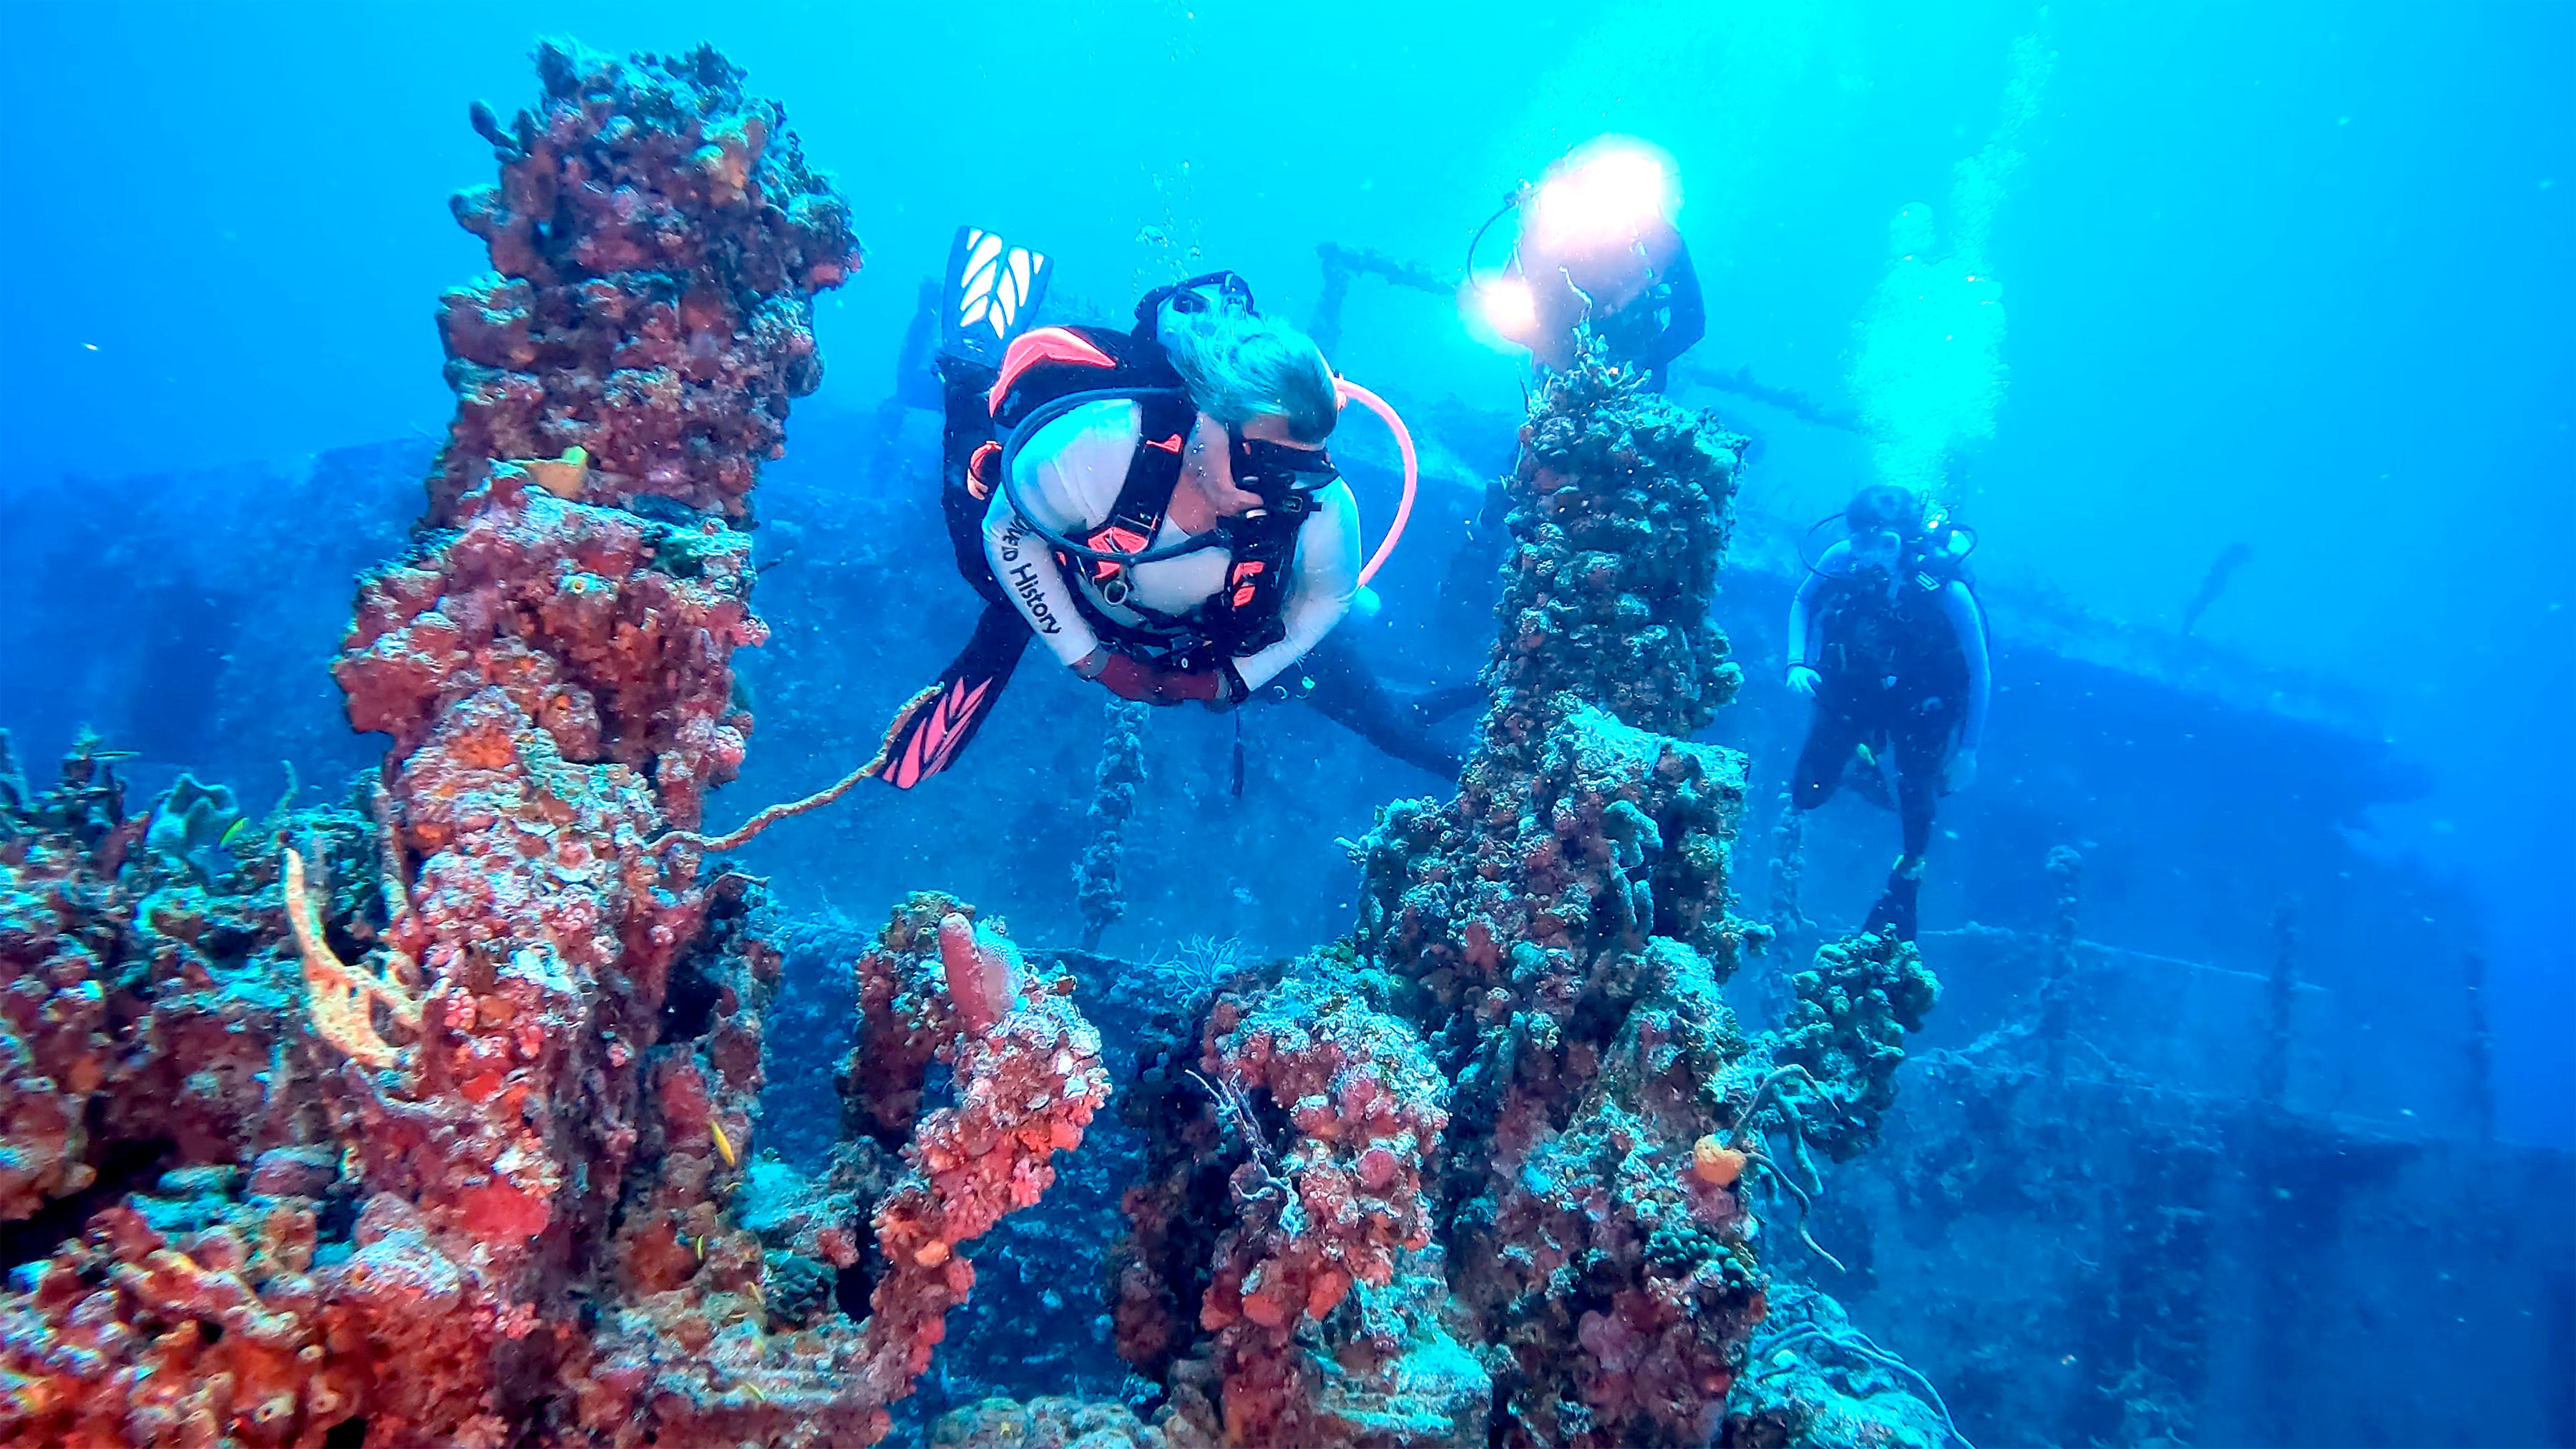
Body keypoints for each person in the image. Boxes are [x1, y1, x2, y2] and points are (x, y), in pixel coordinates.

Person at [872, 230, 1465, 789]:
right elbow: (1008, 531)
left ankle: (1452, 719)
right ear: (1207, 423)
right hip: (1076, 575)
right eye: (1263, 460)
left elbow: (1329, 598)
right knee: (981, 552)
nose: (1283, 488)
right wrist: (1093, 660)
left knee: (1390, 727)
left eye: (1304, 468)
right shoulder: (1100, 444)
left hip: (1206, 624)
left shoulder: (1319, 499)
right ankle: (971, 372)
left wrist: (1229, 678)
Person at [1783, 484, 1990, 940]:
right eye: (1857, 539)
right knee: (1806, 794)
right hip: (1859, 686)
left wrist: (1968, 751)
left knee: (1919, 795)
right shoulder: (1844, 556)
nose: (1863, 554)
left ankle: (1908, 875)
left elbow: (1979, 672)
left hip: (1923, 699)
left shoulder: (1947, 589)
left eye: (1878, 543)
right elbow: (1803, 600)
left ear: (1901, 542)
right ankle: (1860, 755)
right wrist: (1796, 661)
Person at [1483, 139, 1706, 389]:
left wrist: (1643, 363)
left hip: (1635, 380)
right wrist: (1551, 350)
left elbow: (1692, 319)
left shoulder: (1653, 235)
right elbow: (1505, 316)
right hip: (1560, 379)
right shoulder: (1541, 238)